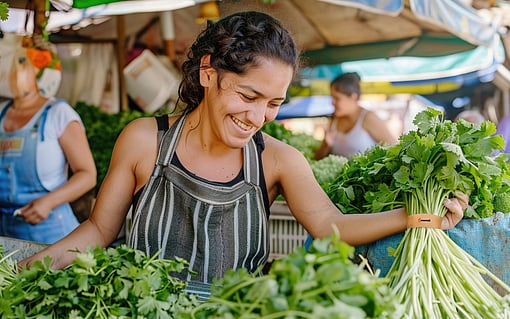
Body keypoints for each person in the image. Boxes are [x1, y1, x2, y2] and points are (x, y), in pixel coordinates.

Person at [19, 12, 467, 284]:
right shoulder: (143, 140)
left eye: (273, 103)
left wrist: (420, 216)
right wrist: (28, 268)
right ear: (210, 74)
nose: (258, 117)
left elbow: (331, 224)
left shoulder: (277, 160)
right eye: (249, 97)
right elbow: (99, 231)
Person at [0, 38, 97, 244]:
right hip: (5, 231)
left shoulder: (58, 114)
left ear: (40, 72)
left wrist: (49, 202)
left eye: (21, 66)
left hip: (51, 233)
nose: (13, 72)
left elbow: (88, 175)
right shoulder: (1, 113)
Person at [314, 72, 398, 160]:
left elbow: (394, 149)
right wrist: (326, 144)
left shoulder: (368, 118)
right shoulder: (335, 119)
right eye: (332, 98)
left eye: (337, 98)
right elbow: (318, 158)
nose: (332, 102)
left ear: (353, 97)